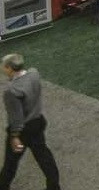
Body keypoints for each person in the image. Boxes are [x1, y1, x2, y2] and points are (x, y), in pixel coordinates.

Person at [0, 54, 61, 190]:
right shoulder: (34, 74)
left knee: (11, 162)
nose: (2, 69)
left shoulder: (11, 91)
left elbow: (16, 117)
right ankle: (54, 186)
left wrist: (15, 136)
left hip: (22, 131)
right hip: (37, 124)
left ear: (10, 68)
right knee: (44, 158)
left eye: (4, 66)